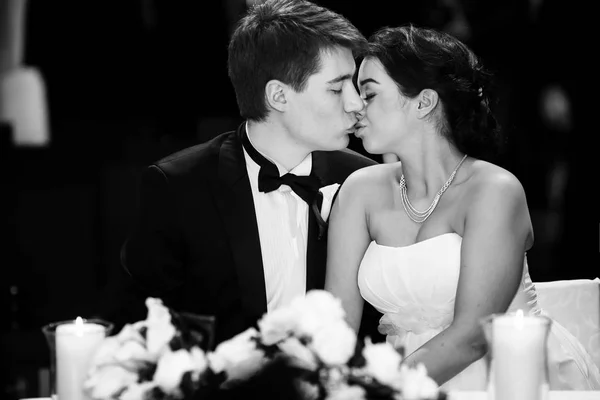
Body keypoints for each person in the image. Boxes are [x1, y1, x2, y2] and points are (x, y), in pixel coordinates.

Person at [324, 24, 600, 391]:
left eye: (369, 93)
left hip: (509, 378)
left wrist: (374, 390)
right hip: (402, 381)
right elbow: (335, 324)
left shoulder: (494, 191)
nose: (355, 106)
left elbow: (472, 335)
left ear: (424, 102)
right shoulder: (360, 191)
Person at [115, 0, 378, 347]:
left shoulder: (363, 181)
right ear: (278, 96)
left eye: (355, 86)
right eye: (336, 88)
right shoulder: (179, 186)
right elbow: (138, 326)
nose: (357, 103)